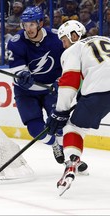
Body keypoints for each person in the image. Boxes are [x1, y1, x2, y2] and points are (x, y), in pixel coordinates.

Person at [46, 20, 108, 196]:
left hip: (101, 91)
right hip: (99, 88)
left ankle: (71, 163)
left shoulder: (74, 49)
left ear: (74, 35)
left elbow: (70, 82)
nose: (64, 45)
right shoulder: (105, 39)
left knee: (74, 128)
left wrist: (60, 111)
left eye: (64, 40)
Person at [7, 6, 66, 164]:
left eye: (32, 24)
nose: (28, 28)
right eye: (25, 25)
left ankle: (70, 156)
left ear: (40, 23)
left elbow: (67, 63)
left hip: (50, 89)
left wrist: (61, 80)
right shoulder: (16, 42)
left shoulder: (56, 38)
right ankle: (54, 144)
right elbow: (16, 71)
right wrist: (21, 76)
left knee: (59, 124)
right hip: (25, 92)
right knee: (35, 130)